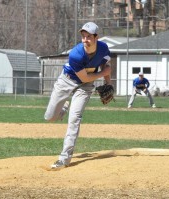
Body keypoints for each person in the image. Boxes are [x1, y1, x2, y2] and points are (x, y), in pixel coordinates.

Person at [44, 22, 112, 169]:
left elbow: (105, 66)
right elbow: (85, 77)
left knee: (74, 119)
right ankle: (64, 107)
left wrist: (108, 84)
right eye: (83, 36)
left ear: (96, 37)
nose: (85, 40)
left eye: (88, 37)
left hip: (85, 87)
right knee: (50, 117)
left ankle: (64, 159)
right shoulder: (76, 54)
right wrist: (102, 74)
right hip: (67, 81)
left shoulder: (104, 48)